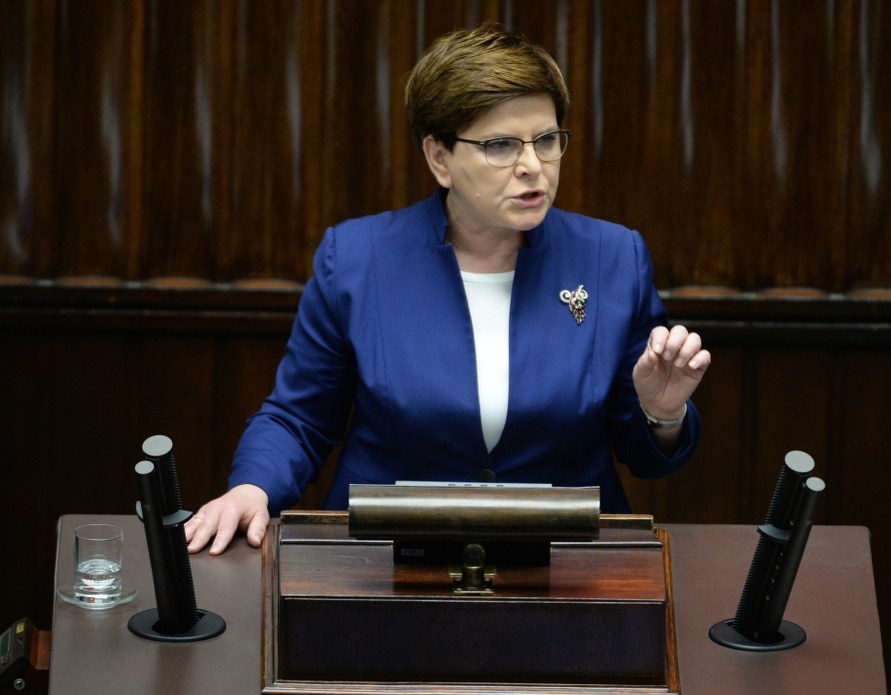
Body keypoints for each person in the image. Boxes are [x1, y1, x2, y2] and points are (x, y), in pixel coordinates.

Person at [186, 22, 711, 555]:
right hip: (385, 562)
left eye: (547, 140)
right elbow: (299, 418)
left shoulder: (611, 258)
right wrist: (252, 488)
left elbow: (644, 453)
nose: (534, 167)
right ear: (439, 158)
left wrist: (661, 415)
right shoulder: (358, 259)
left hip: (567, 564)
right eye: (501, 145)